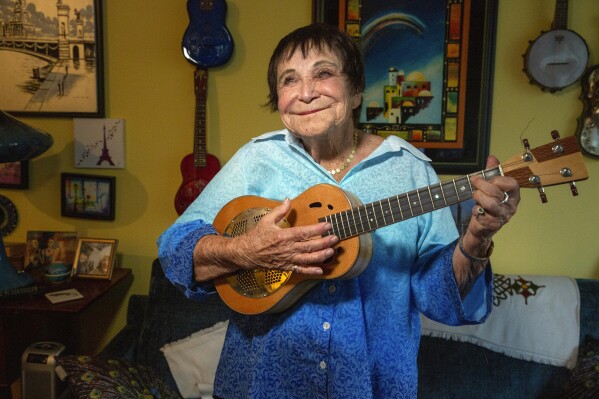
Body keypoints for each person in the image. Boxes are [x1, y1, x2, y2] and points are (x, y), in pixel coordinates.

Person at [158, 23, 520, 399]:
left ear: (357, 90)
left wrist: (477, 239)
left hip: (373, 386)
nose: (306, 92)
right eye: (288, 80)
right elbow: (175, 252)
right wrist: (244, 250)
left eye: (324, 73)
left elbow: (439, 298)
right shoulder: (255, 160)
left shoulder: (409, 169)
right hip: (261, 385)